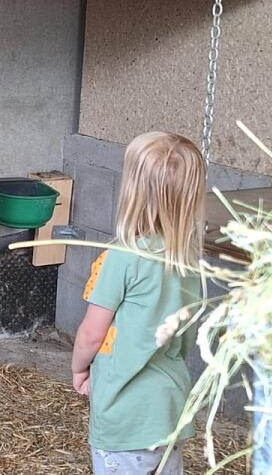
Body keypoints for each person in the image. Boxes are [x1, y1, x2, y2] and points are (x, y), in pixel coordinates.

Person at [71, 132, 205, 475]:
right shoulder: (187, 260)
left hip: (125, 414)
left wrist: (79, 369)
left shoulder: (123, 257)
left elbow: (91, 333)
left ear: (133, 192)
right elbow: (185, 337)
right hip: (169, 408)